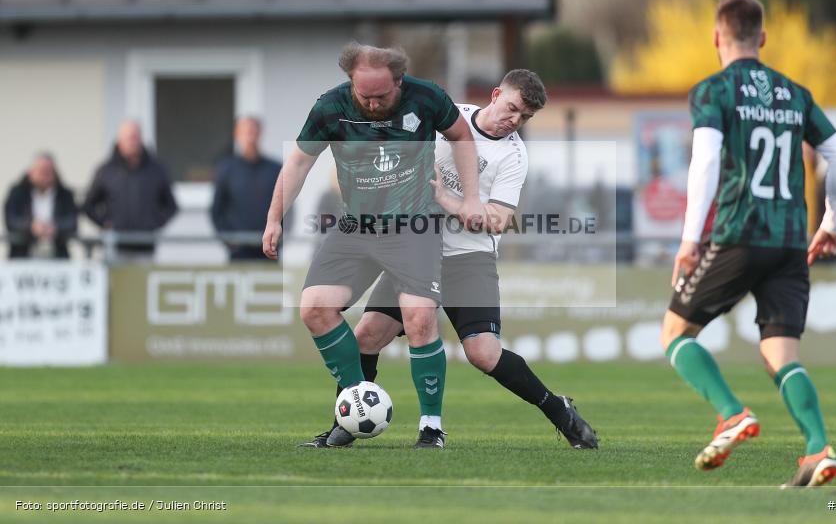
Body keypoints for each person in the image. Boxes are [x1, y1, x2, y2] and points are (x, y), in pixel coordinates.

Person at [304, 70, 599, 450]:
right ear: (496, 95)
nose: (515, 120)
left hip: (468, 258)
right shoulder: (449, 117)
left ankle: (558, 410)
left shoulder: (513, 156)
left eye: (525, 116)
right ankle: (346, 422)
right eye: (512, 108)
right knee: (366, 336)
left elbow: (498, 219)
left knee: (483, 353)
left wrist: (446, 199)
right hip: (412, 250)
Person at [660, 0, 836, 487]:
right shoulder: (795, 93)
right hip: (791, 243)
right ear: (762, 38)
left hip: (740, 233)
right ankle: (817, 448)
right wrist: (831, 223)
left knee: (675, 333)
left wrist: (689, 239)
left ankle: (731, 413)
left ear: (716, 37)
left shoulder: (714, 90)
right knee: (780, 356)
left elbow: (706, 159)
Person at [262, 42, 485, 449]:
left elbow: (462, 137)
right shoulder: (330, 107)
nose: (372, 104)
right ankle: (355, 407)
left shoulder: (426, 97)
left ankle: (431, 427)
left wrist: (470, 198)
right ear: (351, 81)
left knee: (419, 317)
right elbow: (298, 162)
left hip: (414, 226)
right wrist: (274, 217)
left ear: (398, 82)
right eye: (364, 96)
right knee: (314, 307)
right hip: (356, 226)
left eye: (381, 96)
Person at [82, 121, 178, 258]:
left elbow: (171, 206)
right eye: (129, 138)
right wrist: (105, 223)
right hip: (115, 246)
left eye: (135, 137)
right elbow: (88, 205)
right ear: (120, 141)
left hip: (146, 247)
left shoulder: (156, 170)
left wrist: (155, 223)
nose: (133, 142)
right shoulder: (106, 171)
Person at [211, 116, 282, 260]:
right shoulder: (227, 170)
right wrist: (228, 240)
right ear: (237, 135)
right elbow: (217, 210)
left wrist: (279, 239)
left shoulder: (274, 169)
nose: (250, 137)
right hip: (238, 251)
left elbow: (287, 207)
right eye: (245, 132)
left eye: (253, 132)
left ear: (260, 133)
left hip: (269, 249)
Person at [4, 153, 78, 258]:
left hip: (58, 256)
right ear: (31, 173)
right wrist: (31, 227)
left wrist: (55, 227)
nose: (45, 176)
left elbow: (72, 222)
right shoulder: (18, 193)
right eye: (41, 171)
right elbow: (11, 220)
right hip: (22, 255)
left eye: (49, 171)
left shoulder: (65, 195)